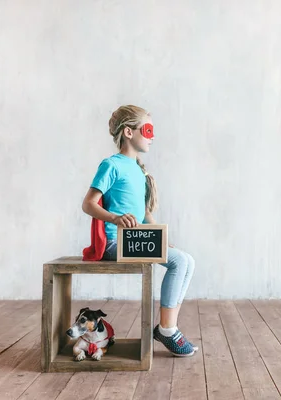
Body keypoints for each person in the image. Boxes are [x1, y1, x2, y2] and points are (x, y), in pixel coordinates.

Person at [81, 104, 198, 357]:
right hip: (116, 243)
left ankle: (168, 327)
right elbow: (88, 204)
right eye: (147, 130)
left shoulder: (138, 170)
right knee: (178, 262)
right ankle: (167, 330)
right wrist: (115, 218)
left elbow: (145, 214)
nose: (152, 136)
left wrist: (163, 238)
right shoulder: (111, 165)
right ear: (129, 132)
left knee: (186, 260)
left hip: (136, 239)